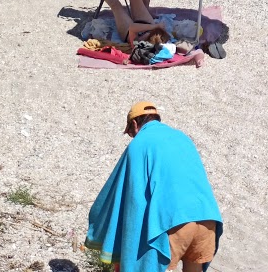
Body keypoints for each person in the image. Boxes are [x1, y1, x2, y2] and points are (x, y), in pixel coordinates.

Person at [86, 101, 223, 272]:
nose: (132, 137)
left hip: (173, 223)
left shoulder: (139, 143)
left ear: (134, 124)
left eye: (130, 133)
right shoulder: (182, 138)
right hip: (207, 217)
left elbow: (132, 198)